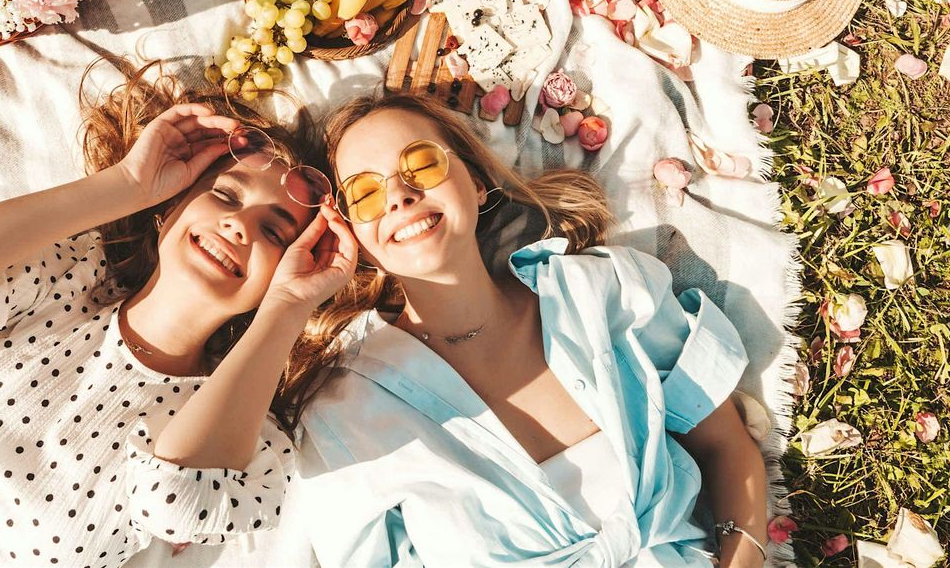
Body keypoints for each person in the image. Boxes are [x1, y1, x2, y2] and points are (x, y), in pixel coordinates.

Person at [0, 60, 357, 567]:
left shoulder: (247, 430)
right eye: (224, 196)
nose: (237, 225)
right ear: (168, 209)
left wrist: (286, 308)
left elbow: (179, 497)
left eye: (275, 232)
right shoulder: (67, 280)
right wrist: (125, 185)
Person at [284, 91, 768, 567]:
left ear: (475, 182)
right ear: (354, 235)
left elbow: (726, 446)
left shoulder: (604, 292)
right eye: (365, 194)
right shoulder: (343, 414)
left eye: (421, 164)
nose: (398, 195)